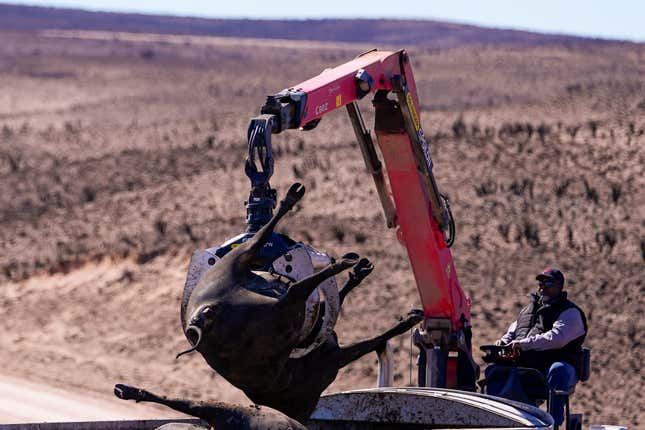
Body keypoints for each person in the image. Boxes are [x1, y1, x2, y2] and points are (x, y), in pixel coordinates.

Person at [486, 267, 587, 427]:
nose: (542, 287)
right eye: (540, 282)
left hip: (555, 366)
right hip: (528, 367)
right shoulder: (527, 310)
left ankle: (553, 423)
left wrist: (523, 345)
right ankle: (497, 421)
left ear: (560, 286)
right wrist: (502, 343)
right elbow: (513, 332)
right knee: (494, 370)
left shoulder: (570, 312)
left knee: (558, 369)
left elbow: (555, 338)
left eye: (548, 282)